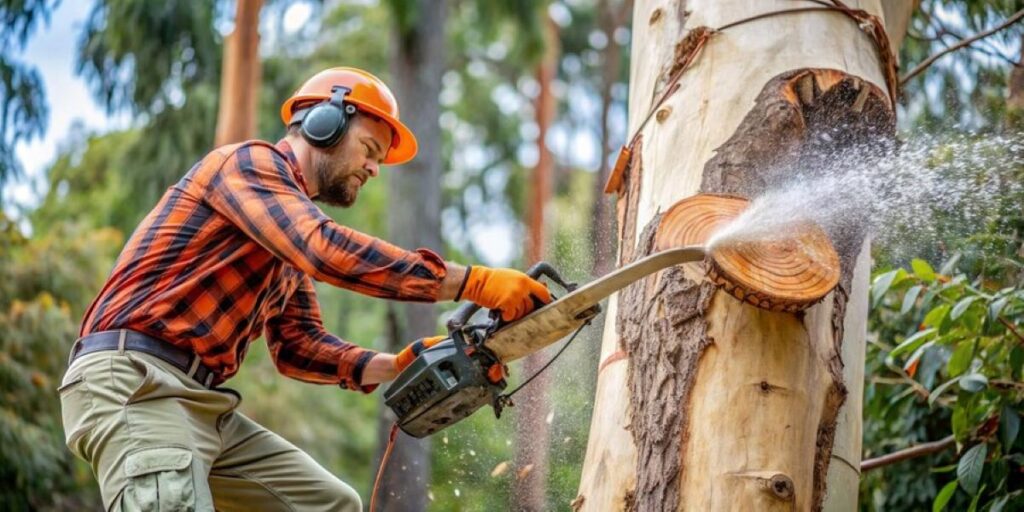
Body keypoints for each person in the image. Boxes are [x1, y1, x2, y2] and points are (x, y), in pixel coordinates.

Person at [58, 67, 551, 511]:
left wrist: (395, 365)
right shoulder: (247, 165)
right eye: (370, 150)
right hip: (136, 383)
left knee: (329, 504)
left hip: (198, 399)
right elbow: (325, 250)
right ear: (325, 123)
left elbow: (297, 347)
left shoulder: (284, 236)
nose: (374, 168)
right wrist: (473, 282)